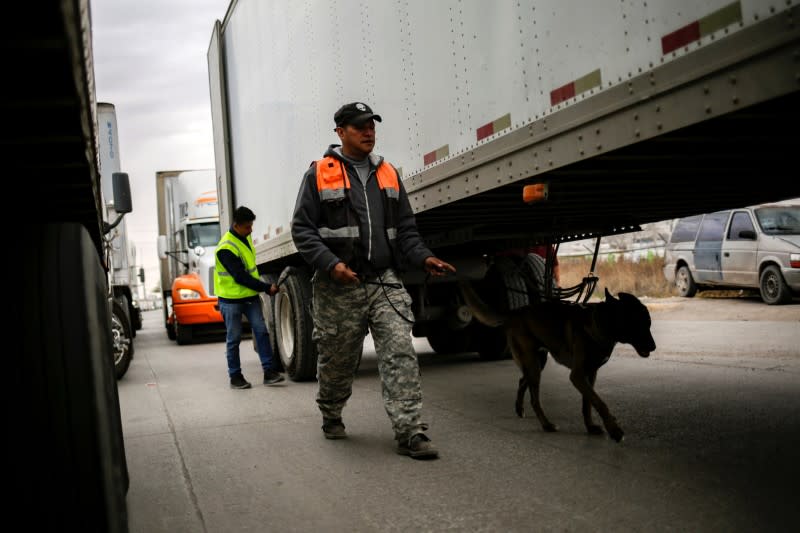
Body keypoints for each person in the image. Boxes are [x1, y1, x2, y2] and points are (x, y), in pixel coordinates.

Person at [291, 101, 455, 459]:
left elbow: (407, 230)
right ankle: (331, 412)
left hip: (384, 282)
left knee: (399, 352)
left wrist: (425, 257)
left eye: (372, 126)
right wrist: (331, 265)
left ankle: (410, 431)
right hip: (339, 288)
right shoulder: (318, 174)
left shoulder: (389, 174)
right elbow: (302, 231)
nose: (368, 132)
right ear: (340, 132)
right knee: (338, 360)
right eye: (359, 126)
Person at [214, 206, 285, 389]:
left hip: (250, 297)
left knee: (261, 331)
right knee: (234, 339)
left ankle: (269, 372)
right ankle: (235, 377)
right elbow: (240, 276)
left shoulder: (244, 239)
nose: (251, 230)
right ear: (236, 226)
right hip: (231, 301)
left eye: (251, 225)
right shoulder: (226, 248)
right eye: (247, 227)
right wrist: (266, 287)